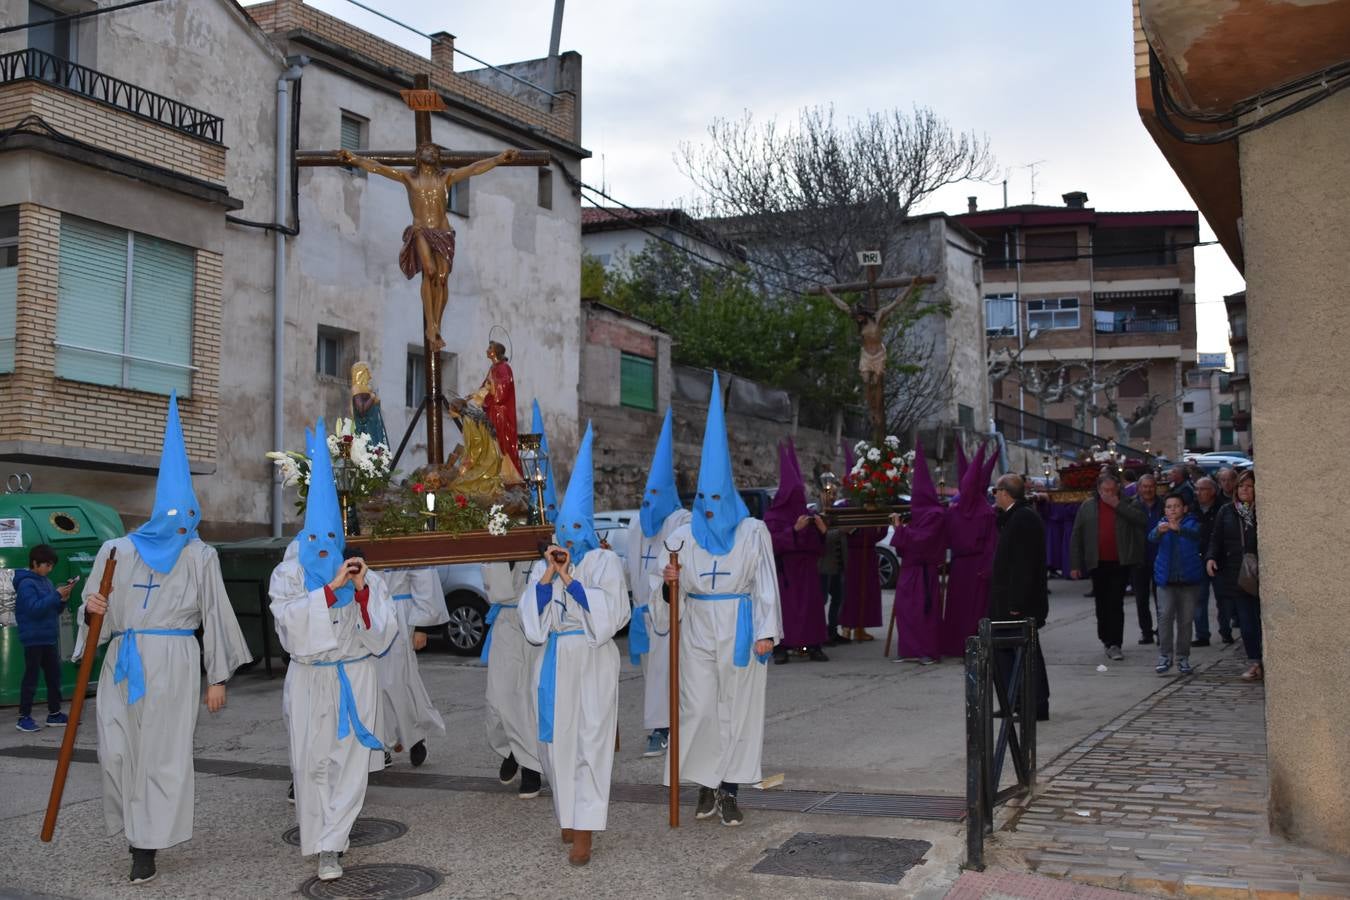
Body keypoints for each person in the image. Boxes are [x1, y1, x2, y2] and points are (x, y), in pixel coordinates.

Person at [76, 392, 251, 885]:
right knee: (115, 748)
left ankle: (145, 844)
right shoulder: (115, 551)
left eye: (189, 520)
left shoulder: (200, 556)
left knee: (161, 753)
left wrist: (217, 677)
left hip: (174, 660)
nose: (183, 529)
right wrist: (92, 611)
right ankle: (134, 824)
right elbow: (93, 611)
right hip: (124, 658)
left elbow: (216, 614)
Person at [654, 372, 781, 827]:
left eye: (716, 496)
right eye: (702, 496)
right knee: (700, 706)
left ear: (728, 493)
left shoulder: (752, 532)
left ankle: (727, 789)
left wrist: (767, 632)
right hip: (698, 627)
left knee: (738, 708)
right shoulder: (683, 536)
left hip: (741, 626)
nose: (709, 505)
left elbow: (765, 583)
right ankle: (704, 781)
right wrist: (669, 583)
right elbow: (666, 591)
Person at [270, 420, 395, 883]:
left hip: (353, 677)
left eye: (330, 543)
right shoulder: (288, 577)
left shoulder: (368, 577)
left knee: (348, 764)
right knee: (311, 761)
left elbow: (382, 636)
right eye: (314, 542)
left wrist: (359, 592)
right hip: (309, 677)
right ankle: (319, 833)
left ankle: (333, 844)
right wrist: (329, 592)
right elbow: (289, 625)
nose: (323, 551)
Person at [519, 424, 629, 867]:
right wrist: (548, 577)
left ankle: (585, 827)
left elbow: (610, 614)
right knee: (556, 743)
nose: (572, 537)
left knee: (590, 741)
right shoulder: (542, 566)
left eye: (579, 528)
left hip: (592, 661)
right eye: (566, 530)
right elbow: (532, 622)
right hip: (555, 661)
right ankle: (567, 811)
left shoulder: (604, 562)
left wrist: (569, 577)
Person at [335, 143, 519, 351]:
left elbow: (473, 169)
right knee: (429, 271)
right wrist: (354, 159)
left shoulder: (445, 178)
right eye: (426, 150)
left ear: (438, 157)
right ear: (418, 155)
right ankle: (430, 326)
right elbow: (379, 167)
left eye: (434, 151)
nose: (430, 153)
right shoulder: (409, 178)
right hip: (421, 230)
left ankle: (437, 325)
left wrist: (498, 159)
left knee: (442, 278)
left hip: (443, 232)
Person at [624, 408, 692, 755]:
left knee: (670, 672)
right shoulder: (637, 525)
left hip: (668, 611)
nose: (649, 504)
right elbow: (629, 566)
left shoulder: (681, 521)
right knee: (653, 675)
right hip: (643, 615)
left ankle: (666, 727)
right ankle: (660, 725)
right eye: (645, 496)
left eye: (656, 496)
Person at [481, 560, 544, 798]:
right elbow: (497, 592)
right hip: (507, 621)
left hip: (538, 621)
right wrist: (506, 561)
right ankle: (512, 747)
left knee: (528, 698)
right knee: (497, 699)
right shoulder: (499, 532)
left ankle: (531, 767)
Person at [990, 474, 1050, 721]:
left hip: (1017, 603)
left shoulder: (1023, 518)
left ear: (1005, 492)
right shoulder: (1015, 516)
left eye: (996, 490)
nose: (994, 495)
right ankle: (1012, 701)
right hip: (1008, 600)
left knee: (1024, 654)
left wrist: (1016, 603)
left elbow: (1023, 566)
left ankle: (1033, 704)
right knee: (1004, 651)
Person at [1070, 471, 1147, 661]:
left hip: (1121, 562)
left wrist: (1117, 505)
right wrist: (1075, 564)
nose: (1109, 494)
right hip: (1097, 563)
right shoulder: (1088, 507)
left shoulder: (1129, 503)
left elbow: (1141, 521)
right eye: (1105, 490)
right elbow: (1077, 536)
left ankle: (1115, 643)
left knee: (1115, 602)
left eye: (1113, 490)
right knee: (1102, 603)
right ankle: (1106, 638)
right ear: (1098, 489)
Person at [376, 567, 447, 767]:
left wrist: (422, 626)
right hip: (369, 614)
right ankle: (380, 744)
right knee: (371, 685)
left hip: (400, 615)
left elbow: (424, 581)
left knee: (400, 681)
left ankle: (414, 734)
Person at [766, 440, 828, 664]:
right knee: (786, 611)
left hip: (807, 570)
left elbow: (818, 548)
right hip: (786, 573)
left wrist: (821, 532)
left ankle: (813, 645)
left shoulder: (807, 513)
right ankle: (781, 648)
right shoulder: (772, 516)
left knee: (812, 609)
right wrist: (794, 530)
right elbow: (770, 543)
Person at [889, 442, 947, 664]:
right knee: (906, 611)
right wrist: (902, 530)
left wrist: (900, 530)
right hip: (909, 570)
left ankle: (926, 651)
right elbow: (906, 545)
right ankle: (909, 650)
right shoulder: (917, 513)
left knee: (923, 613)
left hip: (923, 571)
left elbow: (923, 540)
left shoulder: (934, 514)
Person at [941, 444, 999, 659]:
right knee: (965, 608)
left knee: (969, 608)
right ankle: (963, 645)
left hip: (970, 566)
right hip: (968, 565)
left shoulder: (966, 511)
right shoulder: (983, 511)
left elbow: (990, 543)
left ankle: (967, 646)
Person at [14, 544, 74, 732]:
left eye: (51, 565)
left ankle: (54, 714)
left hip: (48, 637)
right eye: (47, 565)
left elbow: (53, 609)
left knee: (54, 677)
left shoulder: (46, 582)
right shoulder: (26, 583)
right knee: (31, 678)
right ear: (35, 563)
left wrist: (62, 599)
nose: (50, 569)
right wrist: (55, 595)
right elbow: (34, 609)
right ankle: (23, 717)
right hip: (33, 638)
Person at [1208, 470, 1261, 681]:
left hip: (1261, 573)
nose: (1244, 490)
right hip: (1237, 573)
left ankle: (1268, 661)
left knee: (1263, 621)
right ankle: (1255, 661)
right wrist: (1211, 557)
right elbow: (1216, 539)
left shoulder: (1262, 511)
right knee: (1247, 624)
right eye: (1241, 486)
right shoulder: (1227, 511)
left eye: (1249, 486)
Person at [1149, 493, 1206, 676]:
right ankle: (1165, 656)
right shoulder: (1161, 524)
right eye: (1169, 506)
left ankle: (1183, 657)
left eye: (1176, 506)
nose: (1172, 510)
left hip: (1188, 580)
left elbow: (1197, 535)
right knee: (1164, 617)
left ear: (1184, 508)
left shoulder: (1191, 523)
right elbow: (1151, 538)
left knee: (1186, 621)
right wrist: (1160, 531)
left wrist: (1178, 528)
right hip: (1166, 580)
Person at [469, 341, 522, 478]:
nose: (487, 350)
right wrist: (474, 395)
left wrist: (491, 385)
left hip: (501, 413)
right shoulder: (493, 368)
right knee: (489, 440)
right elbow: (485, 388)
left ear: (496, 352)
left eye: (490, 348)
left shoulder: (504, 368)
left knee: (500, 441)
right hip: (492, 411)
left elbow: (501, 392)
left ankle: (506, 475)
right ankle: (491, 470)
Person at [1190, 477, 1233, 645]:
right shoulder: (1192, 509)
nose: (1198, 493)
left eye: (1203, 489)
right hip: (1198, 558)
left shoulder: (1223, 507)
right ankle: (1202, 635)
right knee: (1199, 598)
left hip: (1219, 559)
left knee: (1223, 598)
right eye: (1197, 489)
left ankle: (1225, 630)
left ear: (1213, 491)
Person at [1130, 474, 1165, 646]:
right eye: (1145, 486)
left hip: (1160, 558)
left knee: (1162, 598)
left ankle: (1162, 631)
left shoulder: (1164, 504)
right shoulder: (1133, 505)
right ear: (1139, 488)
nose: (1148, 489)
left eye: (1151, 486)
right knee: (1141, 598)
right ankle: (1146, 632)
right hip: (1140, 558)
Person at [349, 360, 389, 447]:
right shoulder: (357, 390)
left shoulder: (367, 390)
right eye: (367, 372)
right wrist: (371, 398)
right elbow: (361, 410)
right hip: (366, 431)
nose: (370, 376)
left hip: (374, 429)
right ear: (361, 373)